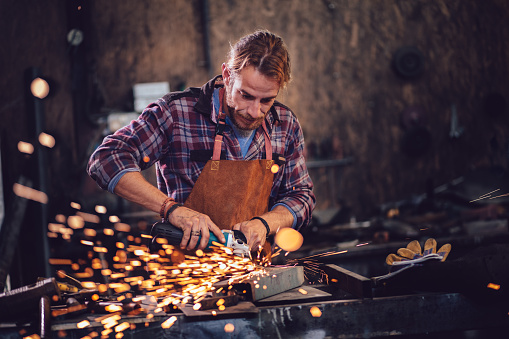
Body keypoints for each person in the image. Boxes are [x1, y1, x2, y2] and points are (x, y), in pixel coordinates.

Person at [87, 30, 315, 252]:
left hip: (256, 272)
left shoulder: (284, 123)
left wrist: (265, 224)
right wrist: (172, 209)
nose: (255, 112)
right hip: (186, 274)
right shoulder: (176, 113)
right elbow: (106, 159)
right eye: (245, 95)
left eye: (266, 100)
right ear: (227, 75)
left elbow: (301, 196)